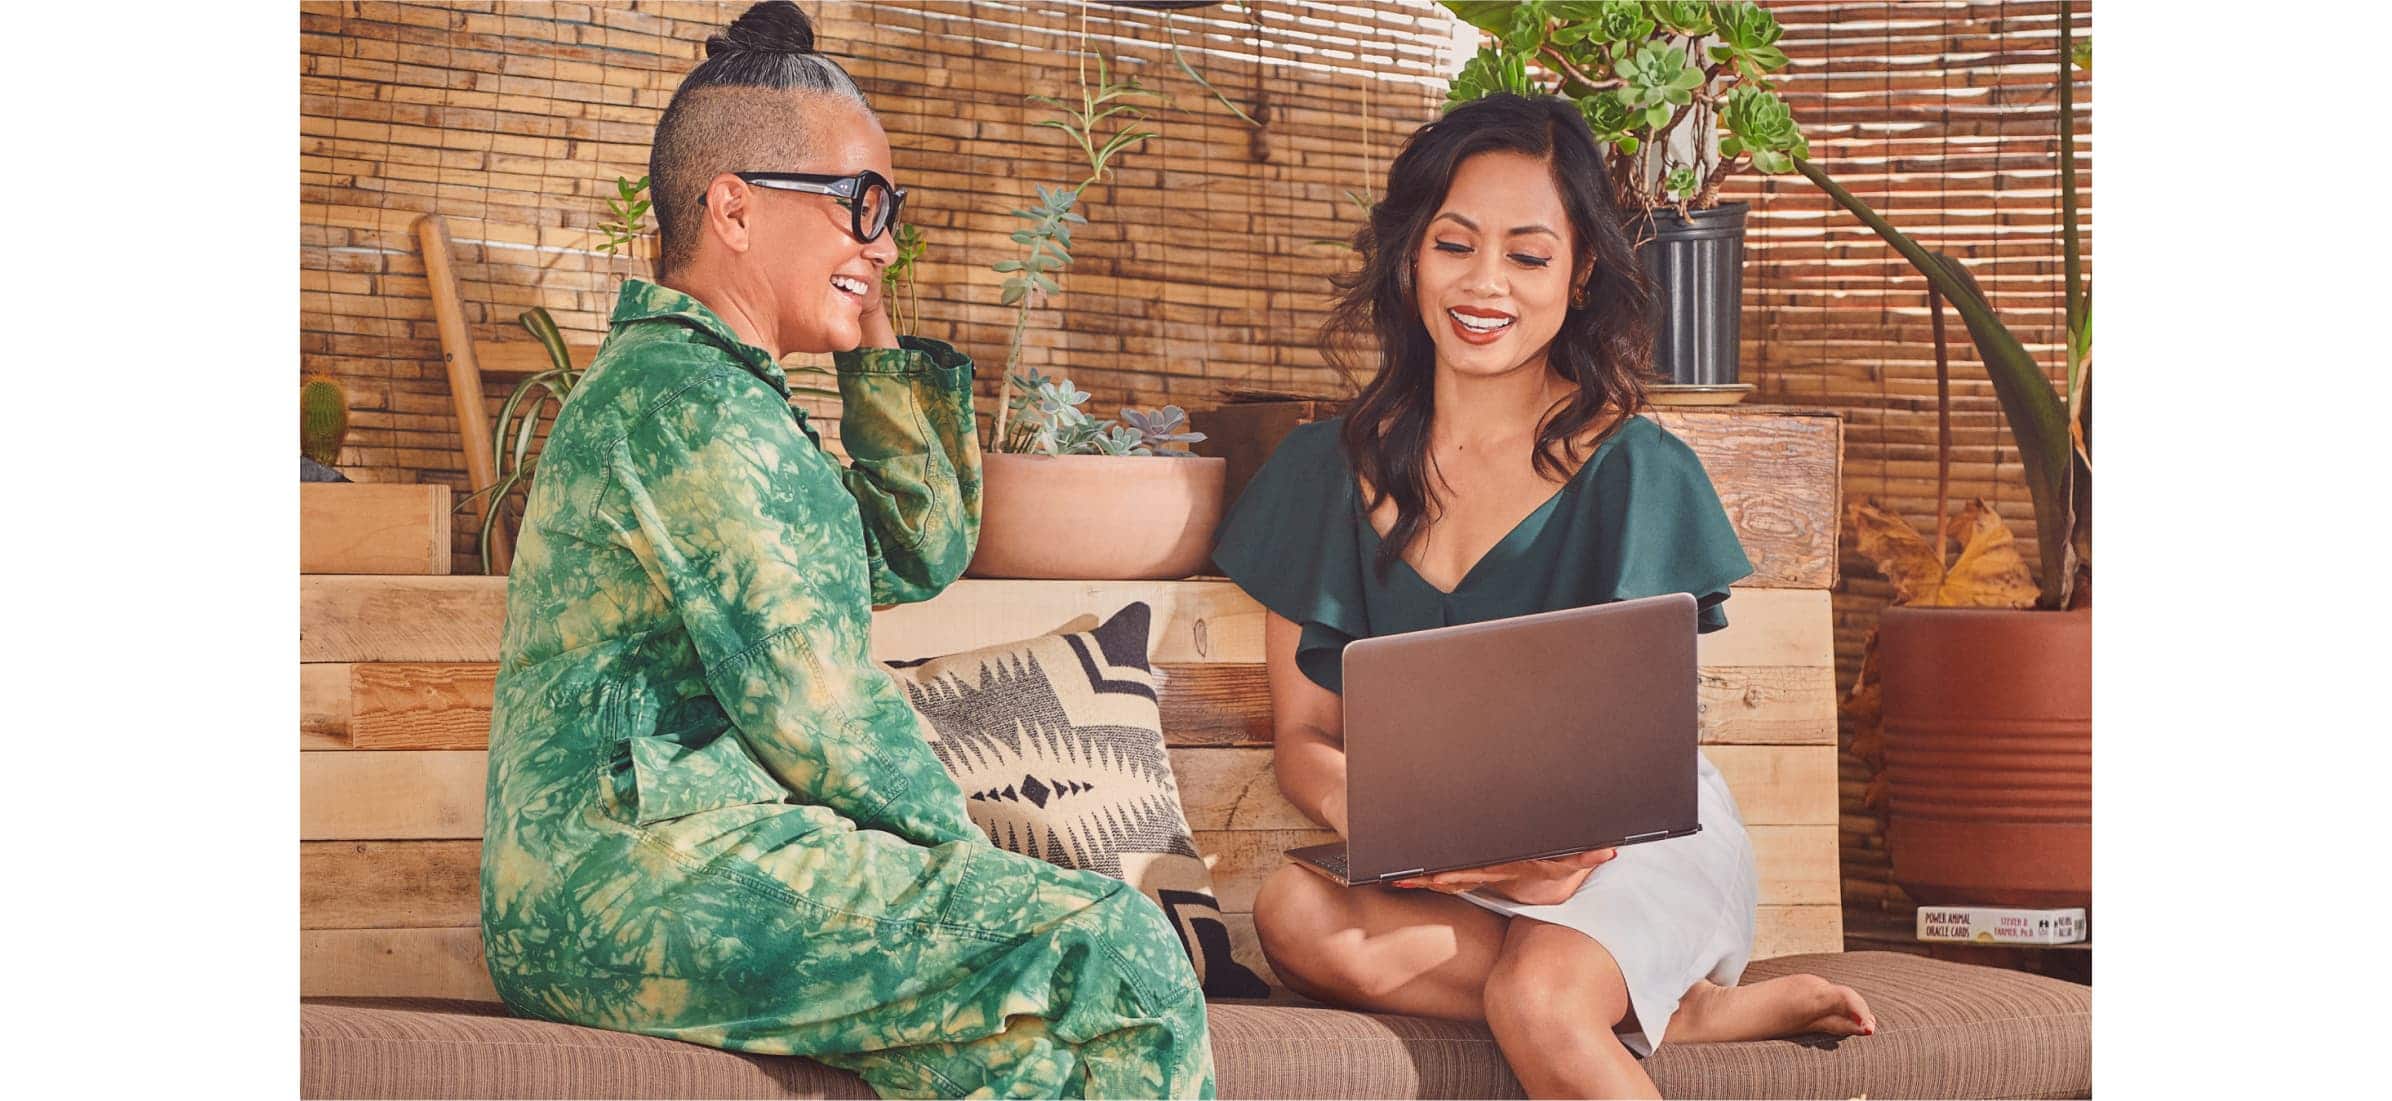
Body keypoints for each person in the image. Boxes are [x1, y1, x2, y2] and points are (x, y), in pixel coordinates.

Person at [477, 5, 1213, 1097]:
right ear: (732, 207)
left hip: (685, 865)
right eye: (857, 202)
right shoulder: (689, 410)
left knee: (1037, 1059)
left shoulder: (733, 401)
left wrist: (873, 343)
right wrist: (974, 872)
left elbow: (915, 549)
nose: (882, 237)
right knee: (1122, 951)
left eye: (892, 210)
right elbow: (824, 713)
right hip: (631, 878)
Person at [1209, 93, 1872, 1099]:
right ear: (1408, 254)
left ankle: (1621, 989)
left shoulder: (1637, 470)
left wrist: (1525, 866)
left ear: (1580, 271)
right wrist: (1417, 838)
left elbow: (1625, 767)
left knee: (1538, 999)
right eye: (1454, 244)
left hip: (1631, 839)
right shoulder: (1318, 472)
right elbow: (1304, 734)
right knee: (1291, 917)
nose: (1484, 285)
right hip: (1431, 852)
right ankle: (1677, 1011)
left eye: (1526, 255)